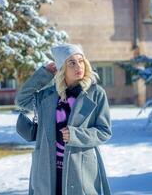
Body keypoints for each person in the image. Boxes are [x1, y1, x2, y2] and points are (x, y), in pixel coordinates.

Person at [15, 43, 112, 195]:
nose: (78, 66)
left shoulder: (96, 94)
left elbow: (104, 131)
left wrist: (75, 135)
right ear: (62, 69)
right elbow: (21, 100)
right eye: (71, 63)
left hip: (80, 169)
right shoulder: (47, 95)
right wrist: (45, 74)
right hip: (47, 168)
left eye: (81, 61)